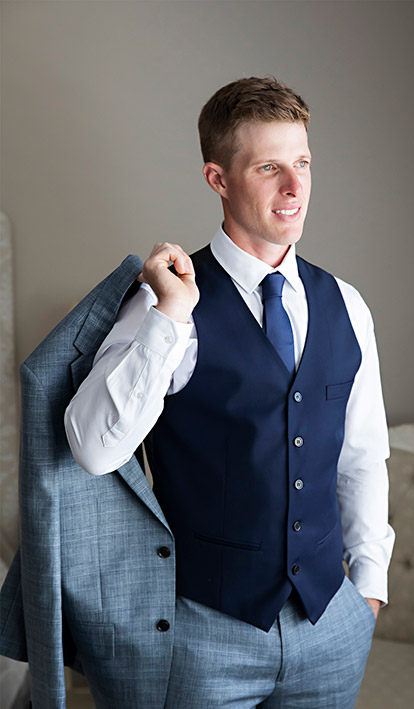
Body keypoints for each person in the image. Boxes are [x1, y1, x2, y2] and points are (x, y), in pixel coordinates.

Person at [64, 76, 393, 707]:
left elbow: (361, 457)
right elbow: (92, 451)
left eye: (302, 163)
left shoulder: (347, 305)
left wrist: (369, 591)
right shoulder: (165, 304)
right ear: (218, 179)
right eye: (270, 167)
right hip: (202, 636)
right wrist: (169, 317)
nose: (295, 188)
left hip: (331, 627)